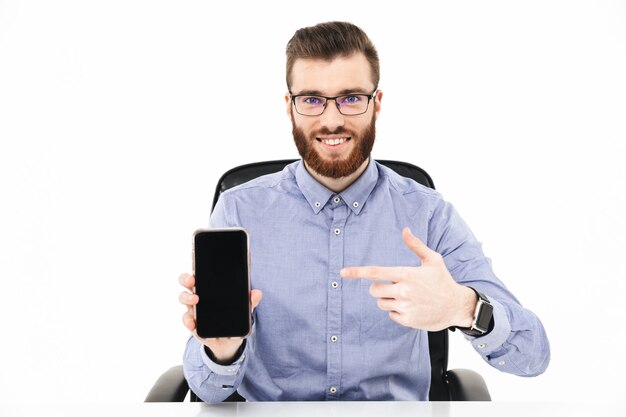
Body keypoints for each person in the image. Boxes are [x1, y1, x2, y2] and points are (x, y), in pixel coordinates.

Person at [179, 21, 550, 402]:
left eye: (351, 98)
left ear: (377, 103)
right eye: (312, 99)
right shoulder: (240, 209)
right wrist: (222, 351)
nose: (332, 119)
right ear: (289, 107)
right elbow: (206, 391)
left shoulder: (428, 214)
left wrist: (465, 308)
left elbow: (533, 356)